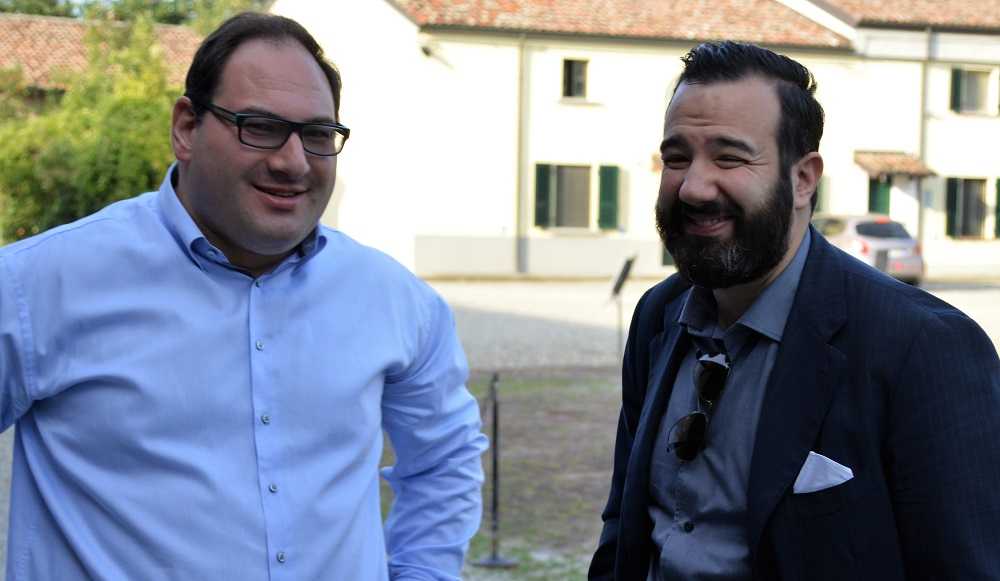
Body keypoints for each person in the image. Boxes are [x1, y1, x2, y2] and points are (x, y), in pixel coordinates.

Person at [0, 12, 487, 580]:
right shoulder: (38, 285)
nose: (292, 161)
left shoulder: (395, 302)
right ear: (187, 128)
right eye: (260, 126)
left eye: (317, 135)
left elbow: (445, 461)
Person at [589, 41, 1000, 580]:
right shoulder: (658, 316)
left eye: (729, 157)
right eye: (677, 158)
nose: (693, 187)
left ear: (803, 178)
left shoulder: (922, 346)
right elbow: (623, 529)